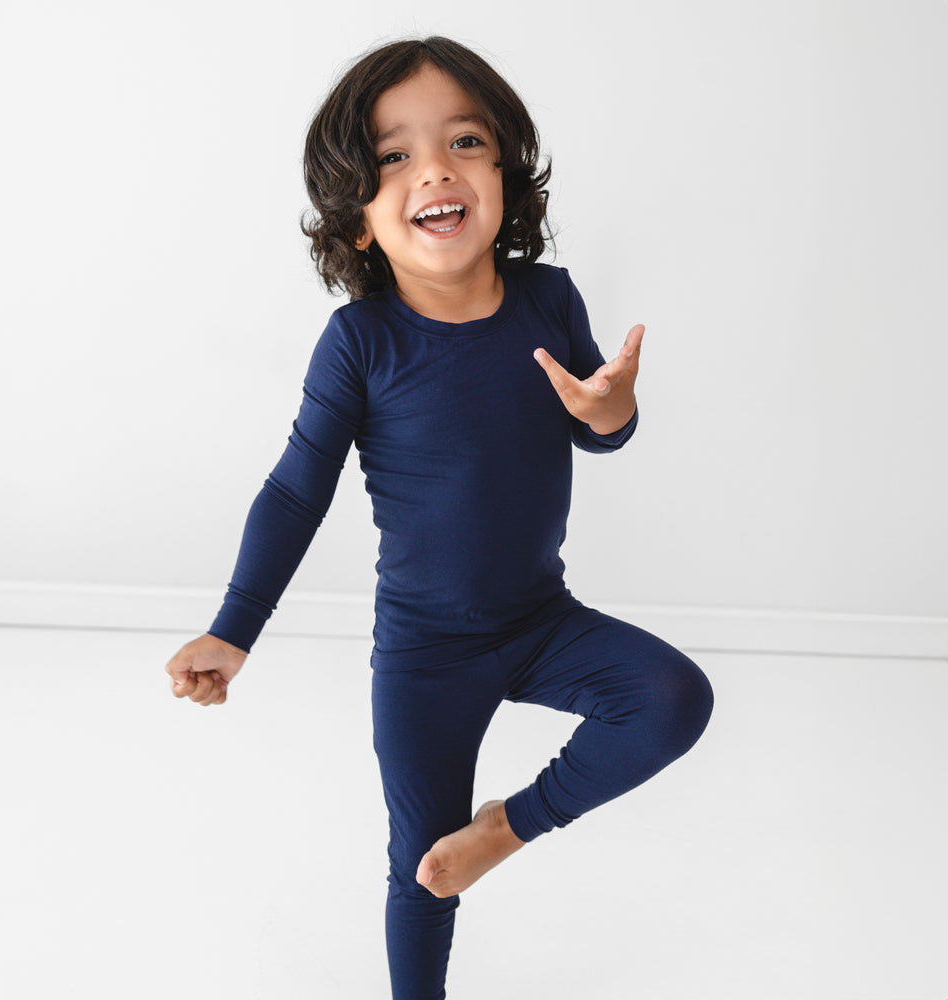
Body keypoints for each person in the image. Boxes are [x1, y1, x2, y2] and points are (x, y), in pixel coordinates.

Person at [165, 36, 714, 1000]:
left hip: (541, 622)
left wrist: (611, 411)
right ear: (362, 220)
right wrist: (233, 626)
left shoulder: (548, 297)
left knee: (674, 698)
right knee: (419, 871)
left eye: (465, 141)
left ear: (503, 175)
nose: (435, 169)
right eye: (394, 156)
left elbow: (601, 429)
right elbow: (297, 489)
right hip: (424, 655)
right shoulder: (361, 342)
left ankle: (506, 829)